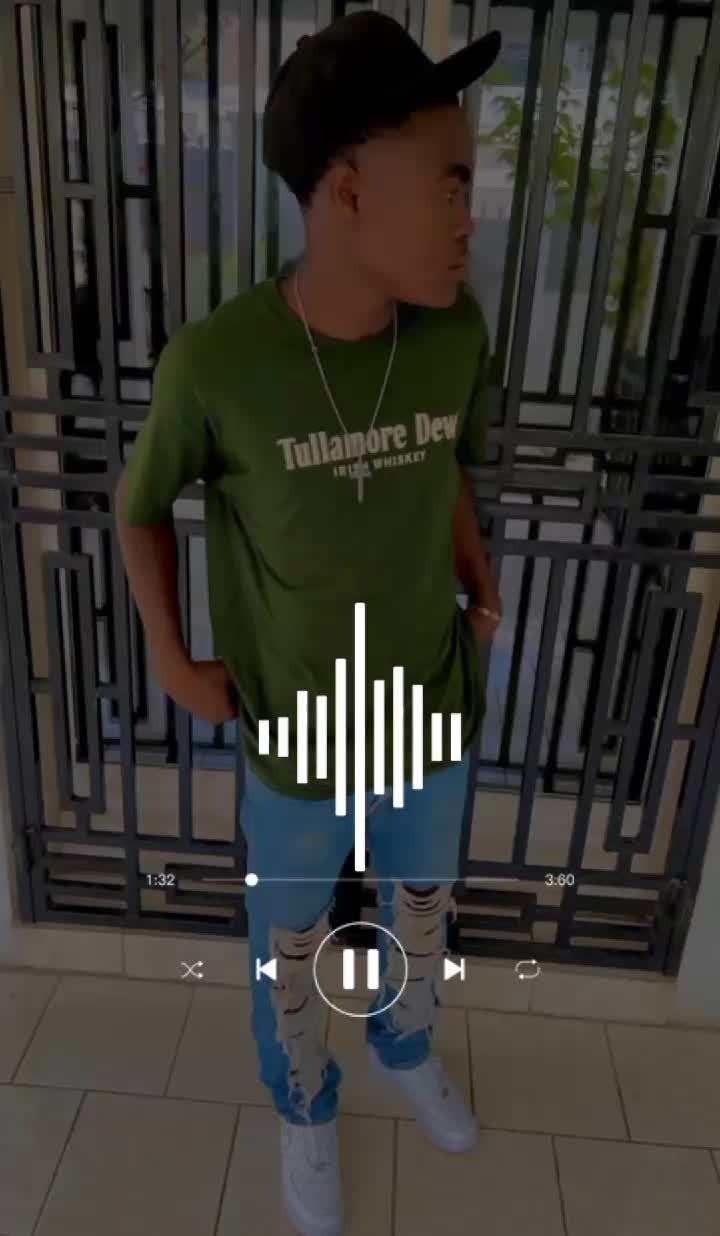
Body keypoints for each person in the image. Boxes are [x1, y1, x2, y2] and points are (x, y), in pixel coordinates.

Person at [115, 12, 503, 1235]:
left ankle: (404, 1046)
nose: (468, 217)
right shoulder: (219, 361)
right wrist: (172, 659)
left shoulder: (453, 335)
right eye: (448, 185)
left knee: (421, 907)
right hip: (297, 726)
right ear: (345, 191)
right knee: (288, 941)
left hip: (427, 707)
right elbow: (139, 506)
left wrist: (481, 583)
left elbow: (447, 467)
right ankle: (304, 1102)